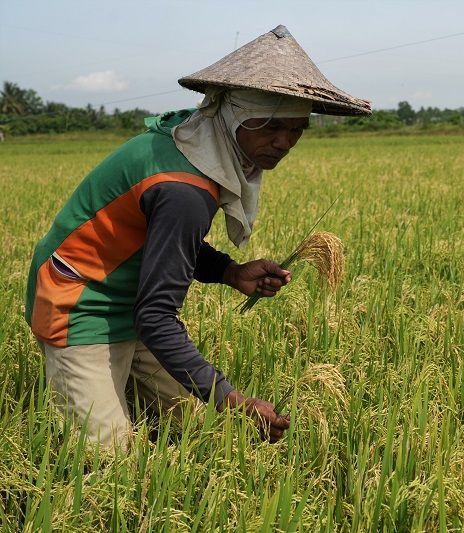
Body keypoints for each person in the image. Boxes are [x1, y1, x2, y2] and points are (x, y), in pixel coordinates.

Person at [24, 25, 370, 449]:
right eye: (269, 125)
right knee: (108, 457)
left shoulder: (195, 143)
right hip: (82, 303)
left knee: (194, 430)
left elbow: (163, 242)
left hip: (131, 299)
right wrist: (234, 399)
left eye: (296, 129)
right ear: (233, 116)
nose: (284, 142)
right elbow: (156, 315)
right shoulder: (185, 188)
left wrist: (229, 271)